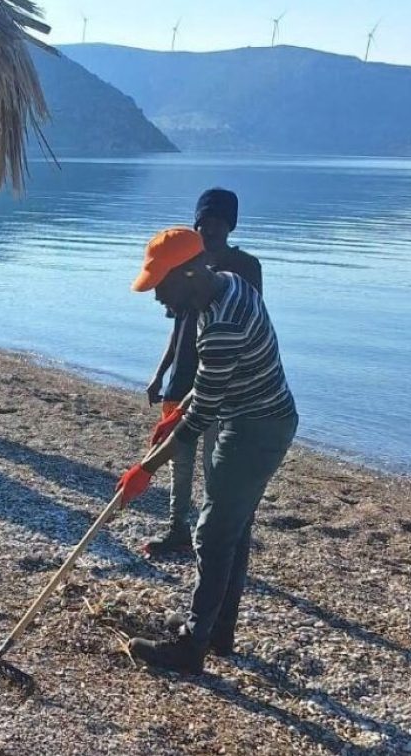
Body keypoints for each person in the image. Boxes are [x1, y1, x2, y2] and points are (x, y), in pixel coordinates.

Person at [116, 227, 297, 674]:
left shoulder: (221, 325)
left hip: (255, 428)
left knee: (213, 534)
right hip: (255, 416)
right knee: (231, 530)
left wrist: (145, 470)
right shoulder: (229, 286)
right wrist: (176, 415)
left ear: (191, 272)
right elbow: (208, 390)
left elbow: (200, 423)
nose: (158, 298)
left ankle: (191, 647)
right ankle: (217, 630)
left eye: (162, 286)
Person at [143, 188, 264, 558]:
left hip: (219, 384)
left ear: (229, 226)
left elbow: (253, 322)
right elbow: (177, 326)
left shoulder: (245, 268)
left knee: (215, 462)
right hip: (182, 377)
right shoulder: (182, 265)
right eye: (203, 224)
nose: (209, 230)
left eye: (216, 224)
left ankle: (210, 535)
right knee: (179, 461)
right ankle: (177, 528)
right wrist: (159, 372)